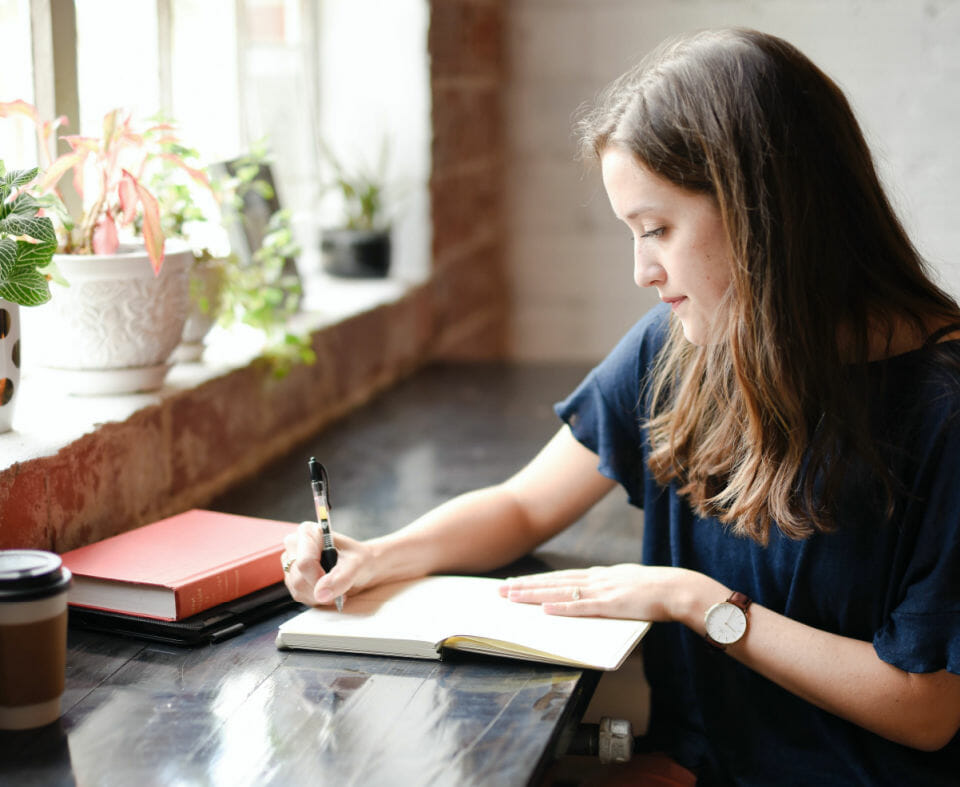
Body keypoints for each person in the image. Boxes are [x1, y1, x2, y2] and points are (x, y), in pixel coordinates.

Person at [283, 28, 960, 785]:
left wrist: (698, 600)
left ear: (764, 212)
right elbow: (522, 505)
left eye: (659, 230)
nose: (643, 270)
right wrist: (377, 557)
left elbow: (926, 707)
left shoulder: (944, 409)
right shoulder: (680, 346)